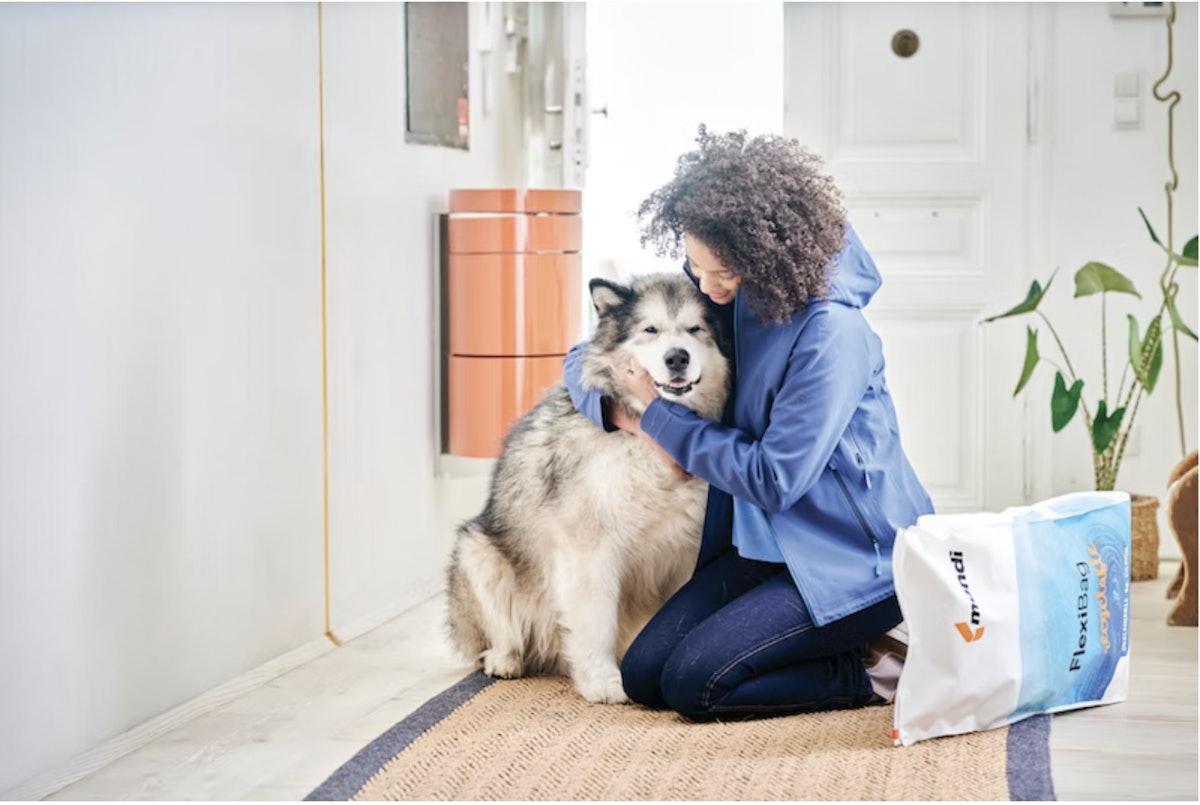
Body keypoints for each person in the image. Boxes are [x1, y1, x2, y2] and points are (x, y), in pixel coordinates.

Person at [562, 125, 934, 720]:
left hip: (854, 562)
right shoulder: (732, 296)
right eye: (694, 265)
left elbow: (774, 479)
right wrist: (623, 416)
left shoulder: (829, 335)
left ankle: (873, 670)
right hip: (765, 551)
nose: (704, 289)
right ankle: (804, 649)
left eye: (721, 274)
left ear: (765, 255)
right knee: (644, 675)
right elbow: (586, 355)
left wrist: (658, 417)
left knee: (695, 686)